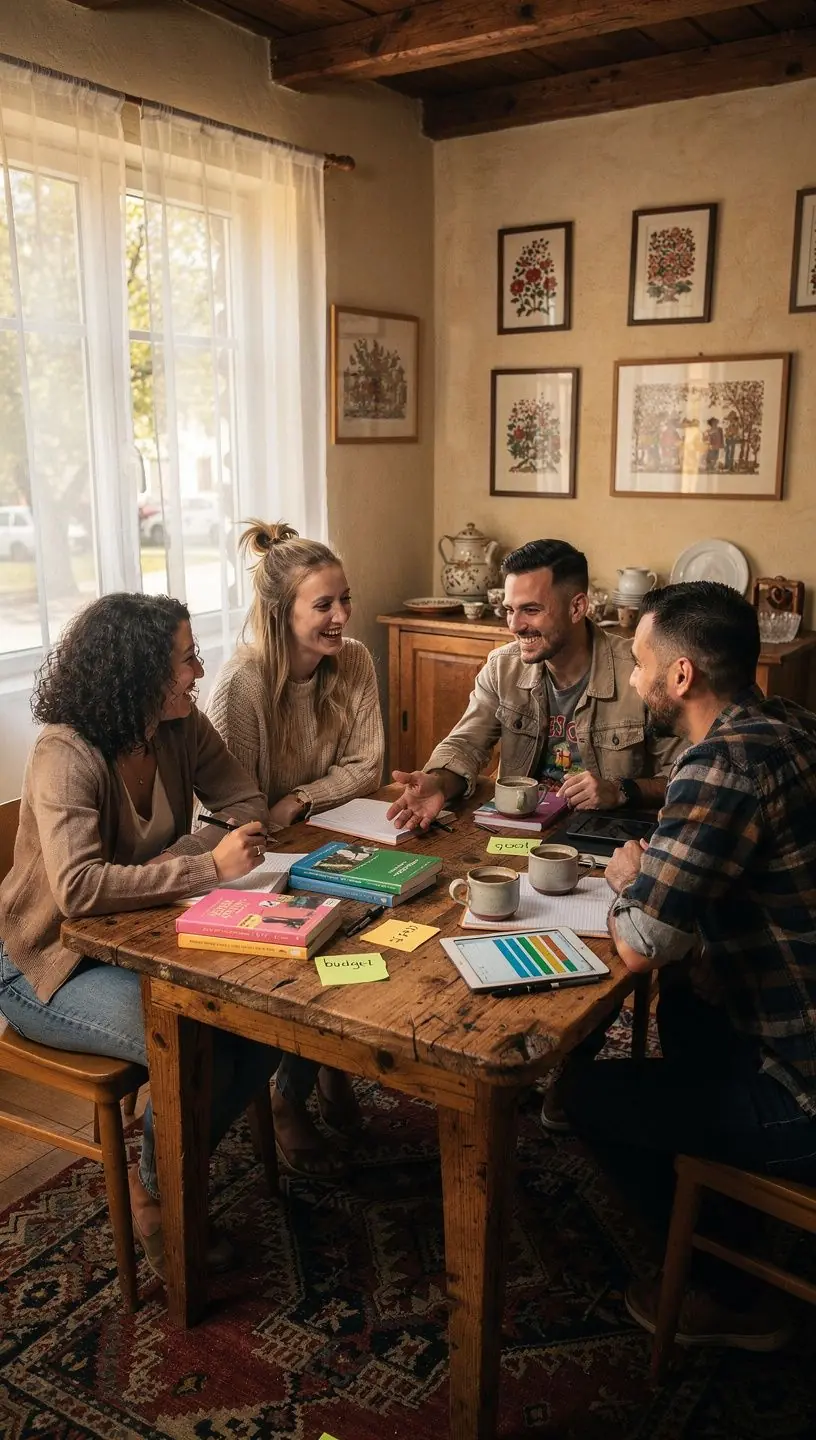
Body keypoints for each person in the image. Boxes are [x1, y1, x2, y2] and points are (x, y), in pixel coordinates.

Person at [563, 581, 816, 1351]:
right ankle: (729, 1214)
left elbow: (639, 942)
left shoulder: (720, 765)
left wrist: (626, 874)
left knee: (583, 1095)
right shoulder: (789, 723)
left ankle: (730, 1289)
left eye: (640, 663)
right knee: (686, 1004)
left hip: (804, 1090)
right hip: (791, 1005)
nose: (634, 678)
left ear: (681, 678)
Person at [0, 593, 279, 1281]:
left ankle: (158, 1173)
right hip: (46, 966)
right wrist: (203, 866)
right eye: (186, 659)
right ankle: (163, 1195)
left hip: (143, 936)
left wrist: (171, 862)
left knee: (262, 1022)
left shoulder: (178, 726)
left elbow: (245, 803)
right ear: (137, 671)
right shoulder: (64, 751)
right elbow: (78, 893)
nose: (199, 668)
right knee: (196, 1038)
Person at [207, 520, 385, 1178]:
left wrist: (302, 800)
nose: (341, 617)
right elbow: (235, 808)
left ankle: (331, 1068)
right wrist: (280, 814)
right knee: (321, 943)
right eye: (324, 605)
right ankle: (289, 1096)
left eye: (345, 599)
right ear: (282, 614)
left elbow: (368, 767)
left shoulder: (356, 661)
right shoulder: (243, 686)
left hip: (330, 833)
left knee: (385, 922)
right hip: (255, 861)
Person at [386, 538, 680, 834]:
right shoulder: (502, 666)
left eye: (530, 610)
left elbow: (684, 779)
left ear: (577, 608)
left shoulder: (639, 673)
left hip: (611, 836)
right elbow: (465, 745)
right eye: (509, 610)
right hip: (518, 833)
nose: (514, 625)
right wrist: (437, 782)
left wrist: (620, 790)